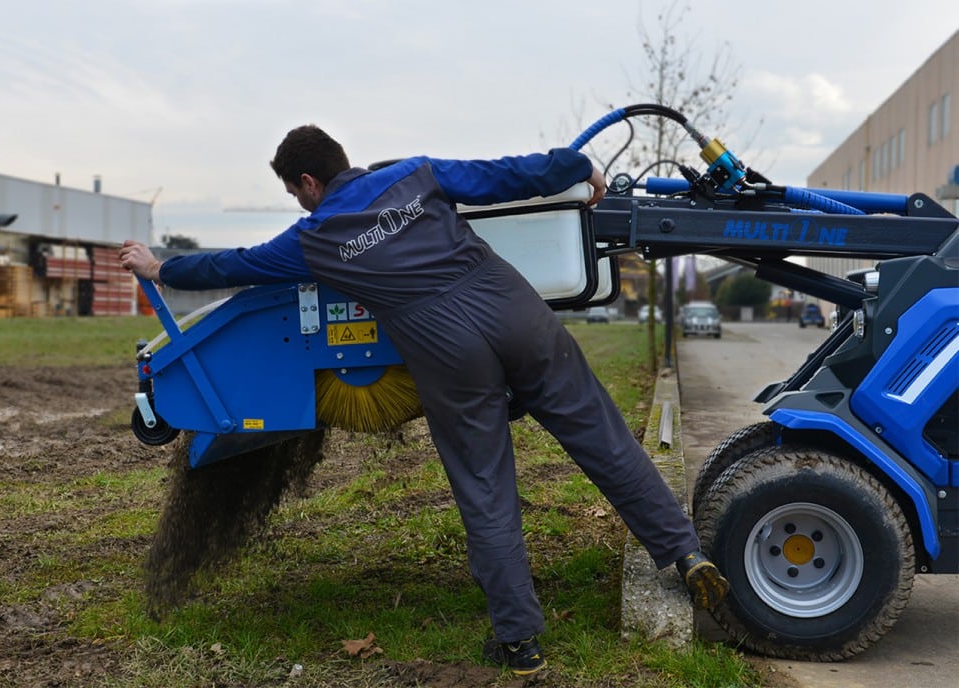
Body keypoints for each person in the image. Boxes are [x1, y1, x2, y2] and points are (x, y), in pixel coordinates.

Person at [120, 125, 728, 676]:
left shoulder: (315, 235)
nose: (299, 203)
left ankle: (520, 643)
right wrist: (579, 166)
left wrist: (160, 266)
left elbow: (239, 265)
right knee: (605, 439)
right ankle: (684, 553)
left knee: (486, 487)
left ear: (309, 181)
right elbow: (506, 174)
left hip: (446, 348)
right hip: (515, 312)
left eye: (294, 192)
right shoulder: (414, 173)